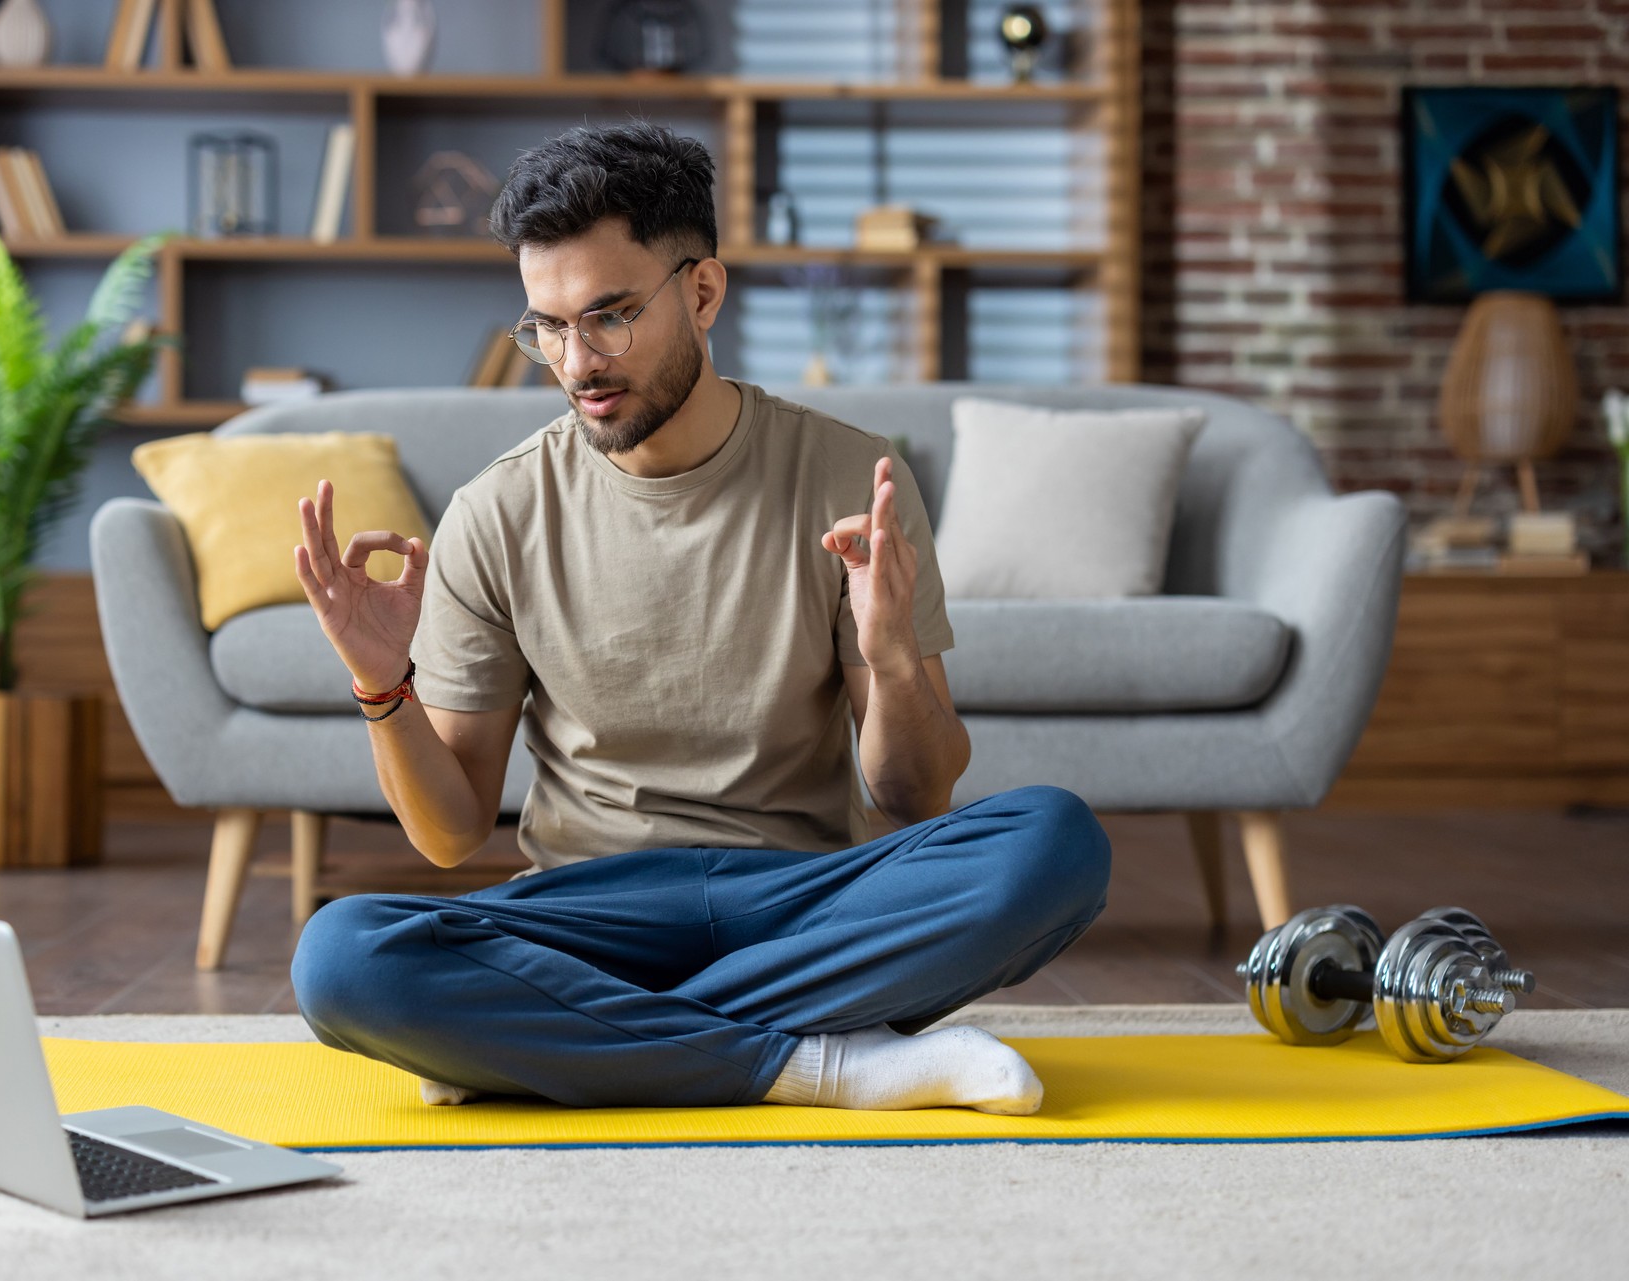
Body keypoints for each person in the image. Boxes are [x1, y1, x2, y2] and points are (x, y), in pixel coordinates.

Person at [288, 121, 1109, 1113]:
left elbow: (915, 801)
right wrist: (385, 686)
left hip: (804, 903)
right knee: (340, 957)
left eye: (610, 316)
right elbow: (452, 834)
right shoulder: (496, 512)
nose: (575, 361)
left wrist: (891, 657)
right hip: (588, 913)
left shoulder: (851, 476)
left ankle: (571, 1037)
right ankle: (823, 1062)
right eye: (545, 326)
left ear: (704, 292)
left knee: (1055, 841)